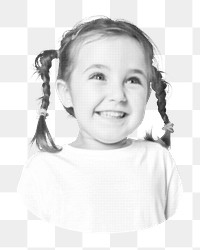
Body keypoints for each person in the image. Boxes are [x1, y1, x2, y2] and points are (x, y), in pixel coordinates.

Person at [17, 16, 183, 233]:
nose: (117, 95)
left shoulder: (158, 159)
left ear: (148, 94)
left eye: (133, 80)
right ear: (66, 93)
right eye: (98, 76)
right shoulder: (43, 170)